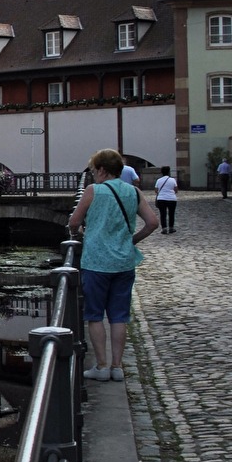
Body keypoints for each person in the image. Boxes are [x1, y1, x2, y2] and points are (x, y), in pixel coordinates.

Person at [68, 149, 158, 383]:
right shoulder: (133, 191)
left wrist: (78, 232)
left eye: (94, 170)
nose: (93, 174)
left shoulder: (93, 191)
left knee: (95, 315)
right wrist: (132, 240)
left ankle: (101, 365)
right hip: (124, 262)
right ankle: (117, 367)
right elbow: (152, 223)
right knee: (119, 316)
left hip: (96, 262)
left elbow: (74, 222)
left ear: (101, 170)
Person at [153, 166, 179, 234]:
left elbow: (156, 190)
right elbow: (176, 190)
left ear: (161, 172)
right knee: (171, 214)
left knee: (163, 214)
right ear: (169, 172)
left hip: (161, 199)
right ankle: (171, 228)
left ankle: (164, 228)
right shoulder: (173, 180)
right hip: (172, 199)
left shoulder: (159, 180)